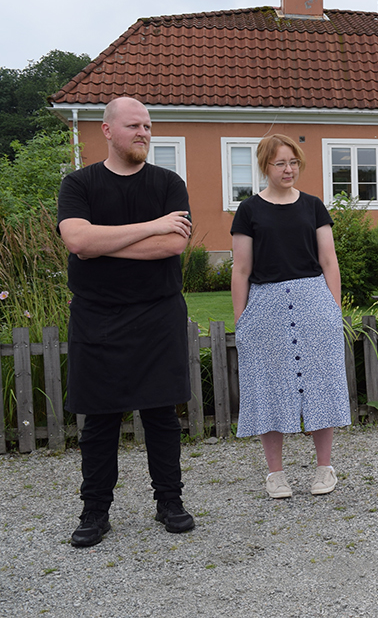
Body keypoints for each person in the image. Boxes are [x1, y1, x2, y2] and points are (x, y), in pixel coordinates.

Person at [58, 97, 196, 547]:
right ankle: (95, 512)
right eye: (134, 125)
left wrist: (102, 244)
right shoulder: (79, 184)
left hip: (158, 313)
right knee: (99, 420)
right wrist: (152, 225)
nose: (143, 133)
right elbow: (77, 240)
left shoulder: (168, 183)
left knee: (161, 415)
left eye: (148, 126)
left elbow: (172, 246)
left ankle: (170, 502)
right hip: (97, 316)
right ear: (107, 130)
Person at [230, 134, 351, 499]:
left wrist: (333, 310)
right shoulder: (249, 210)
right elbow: (241, 269)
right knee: (269, 385)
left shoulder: (313, 206)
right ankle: (276, 474)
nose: (289, 169)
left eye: (294, 162)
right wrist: (242, 319)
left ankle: (324, 468)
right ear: (265, 166)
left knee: (320, 384)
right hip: (265, 306)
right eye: (280, 163)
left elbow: (329, 260)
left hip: (313, 302)